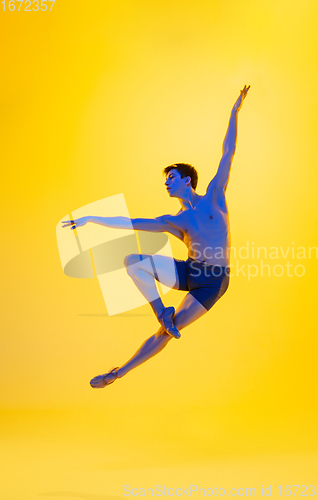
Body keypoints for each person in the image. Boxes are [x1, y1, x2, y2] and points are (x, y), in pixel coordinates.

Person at [62, 84, 250, 388]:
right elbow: (133, 222)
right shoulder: (174, 220)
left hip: (213, 281)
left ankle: (117, 372)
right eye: (165, 180)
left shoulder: (215, 195)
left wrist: (235, 110)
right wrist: (91, 219)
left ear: (187, 180)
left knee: (167, 333)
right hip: (190, 271)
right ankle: (161, 310)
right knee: (134, 261)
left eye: (171, 178)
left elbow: (228, 151)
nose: (166, 183)